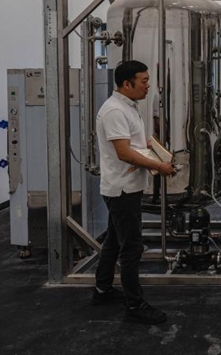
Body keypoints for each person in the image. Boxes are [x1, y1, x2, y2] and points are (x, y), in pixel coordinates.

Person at [92, 60, 176, 324]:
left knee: (114, 242)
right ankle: (134, 304)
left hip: (126, 188)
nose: (148, 86)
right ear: (126, 84)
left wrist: (153, 147)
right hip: (122, 190)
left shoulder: (129, 107)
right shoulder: (115, 111)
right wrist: (159, 166)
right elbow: (124, 153)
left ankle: (102, 290)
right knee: (131, 248)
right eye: (143, 81)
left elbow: (136, 143)